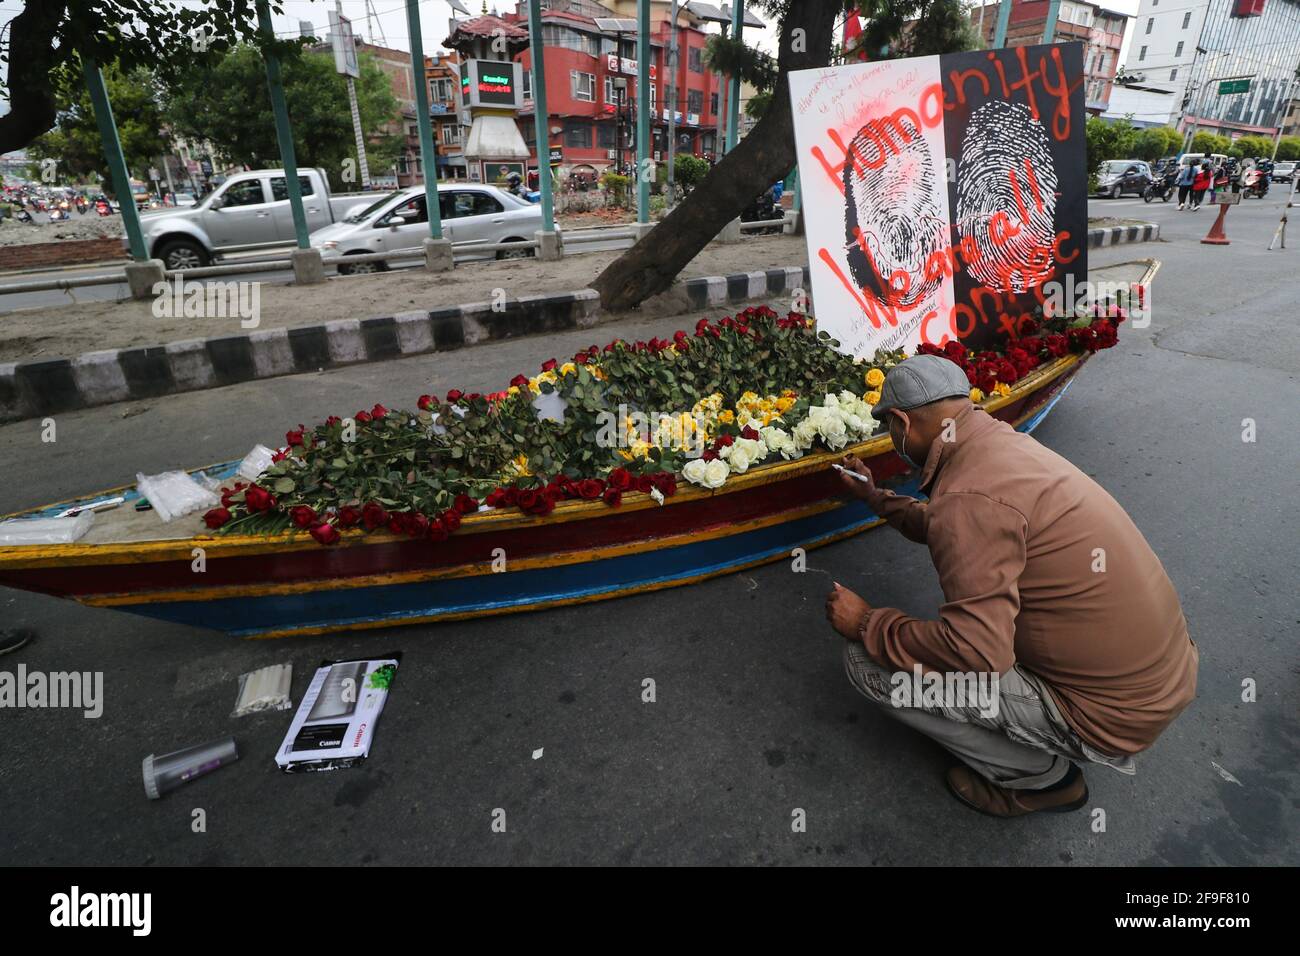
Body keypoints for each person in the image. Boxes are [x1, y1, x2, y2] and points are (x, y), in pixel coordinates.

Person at [825, 355, 1198, 817]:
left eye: (890, 430)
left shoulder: (968, 496)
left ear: (901, 423)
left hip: (1109, 715)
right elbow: (956, 521)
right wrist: (876, 498)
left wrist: (867, 622)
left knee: (868, 664)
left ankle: (1041, 779)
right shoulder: (1000, 447)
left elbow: (978, 655)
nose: (893, 439)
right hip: (1159, 678)